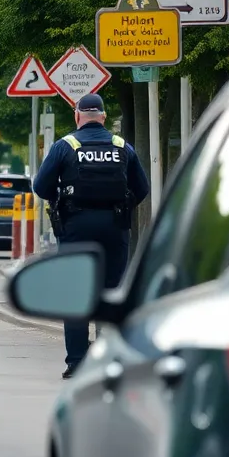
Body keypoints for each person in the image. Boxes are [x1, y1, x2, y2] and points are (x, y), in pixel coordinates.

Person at [33, 93, 150, 379]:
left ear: (77, 116)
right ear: (103, 117)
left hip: (76, 226)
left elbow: (41, 186)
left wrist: (63, 199)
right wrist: (120, 205)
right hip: (114, 226)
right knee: (112, 292)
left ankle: (77, 362)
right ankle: (111, 359)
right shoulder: (123, 146)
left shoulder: (65, 146)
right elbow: (142, 188)